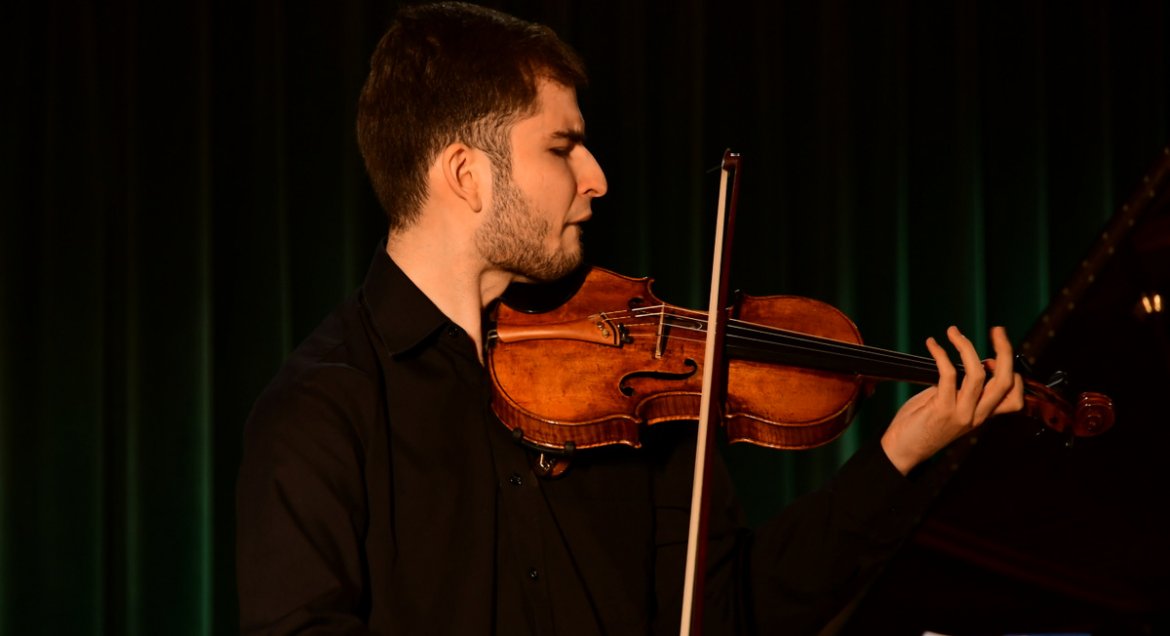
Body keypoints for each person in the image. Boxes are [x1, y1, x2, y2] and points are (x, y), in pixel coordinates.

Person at [235, 3, 1025, 635]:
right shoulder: (321, 409)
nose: (598, 177)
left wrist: (895, 457)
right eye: (563, 147)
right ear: (465, 174)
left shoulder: (634, 379)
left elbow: (734, 611)